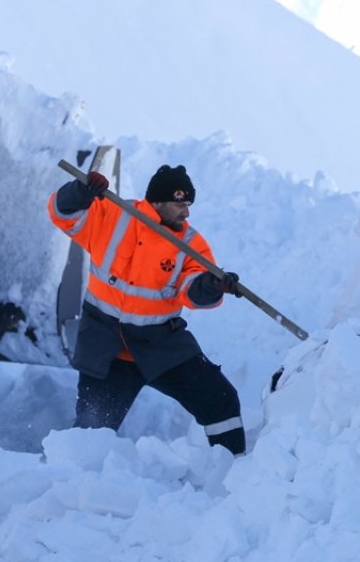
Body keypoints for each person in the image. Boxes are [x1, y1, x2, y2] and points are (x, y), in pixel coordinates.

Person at [48, 164, 246, 455]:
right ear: (156, 201)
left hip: (162, 346)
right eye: (180, 204)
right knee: (90, 436)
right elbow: (62, 214)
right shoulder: (113, 215)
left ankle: (236, 471)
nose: (186, 213)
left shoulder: (191, 244)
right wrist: (82, 191)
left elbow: (193, 291)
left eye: (189, 205)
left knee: (221, 400)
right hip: (107, 348)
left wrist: (214, 286)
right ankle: (72, 488)